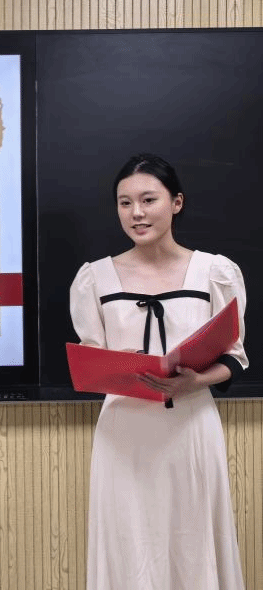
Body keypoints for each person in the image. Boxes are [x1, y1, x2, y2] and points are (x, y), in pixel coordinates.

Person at [69, 153, 247, 589]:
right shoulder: (95, 278)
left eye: (148, 200)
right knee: (127, 538)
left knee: (192, 535)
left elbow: (235, 356)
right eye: (125, 203)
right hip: (123, 430)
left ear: (176, 202)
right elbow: (91, 355)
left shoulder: (215, 272)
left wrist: (196, 380)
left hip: (190, 425)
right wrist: (117, 364)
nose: (137, 213)